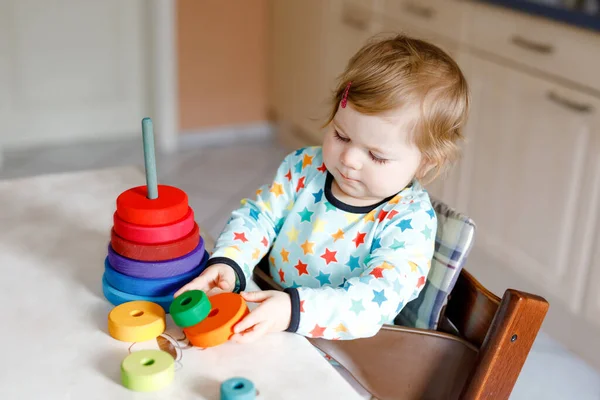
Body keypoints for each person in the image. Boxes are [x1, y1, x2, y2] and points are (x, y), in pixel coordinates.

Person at [174, 33, 470, 343]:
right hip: (269, 316)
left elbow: (373, 301)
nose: (349, 159)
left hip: (340, 349)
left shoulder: (409, 222)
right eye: (342, 136)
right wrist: (230, 262)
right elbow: (258, 217)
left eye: (376, 155)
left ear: (426, 163)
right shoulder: (305, 168)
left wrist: (294, 309)